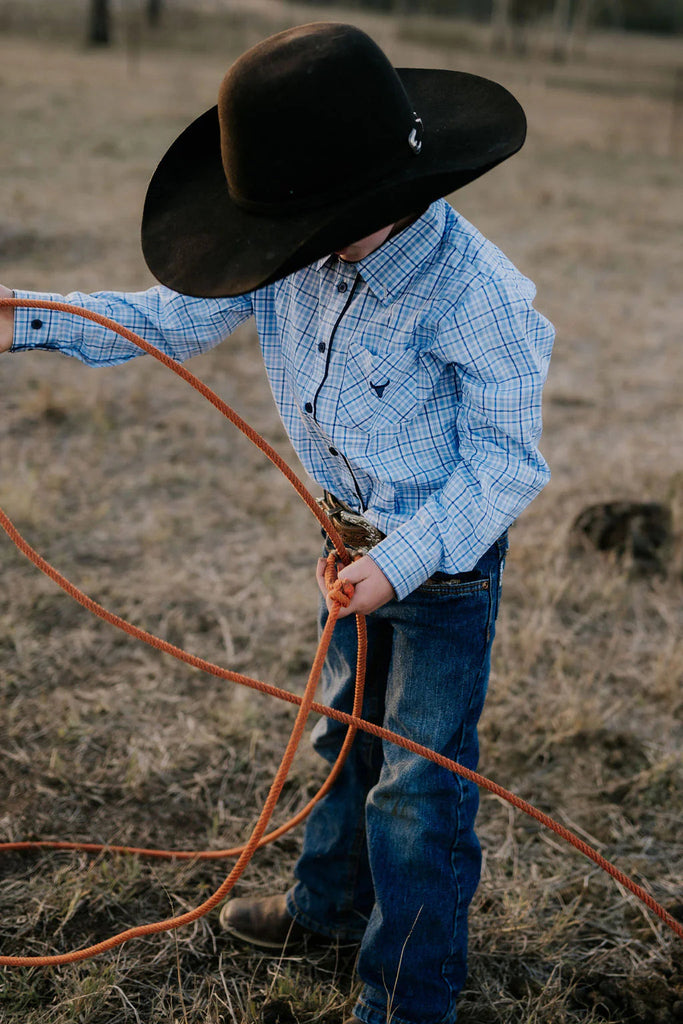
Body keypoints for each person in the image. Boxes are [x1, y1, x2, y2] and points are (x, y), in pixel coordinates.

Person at [0, 23, 554, 1024]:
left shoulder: (480, 298)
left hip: (442, 571)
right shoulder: (291, 259)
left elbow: (507, 462)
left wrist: (405, 562)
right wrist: (23, 317)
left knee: (415, 789)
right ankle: (325, 909)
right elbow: (161, 320)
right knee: (340, 741)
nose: (282, 254)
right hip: (345, 549)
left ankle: (406, 994)